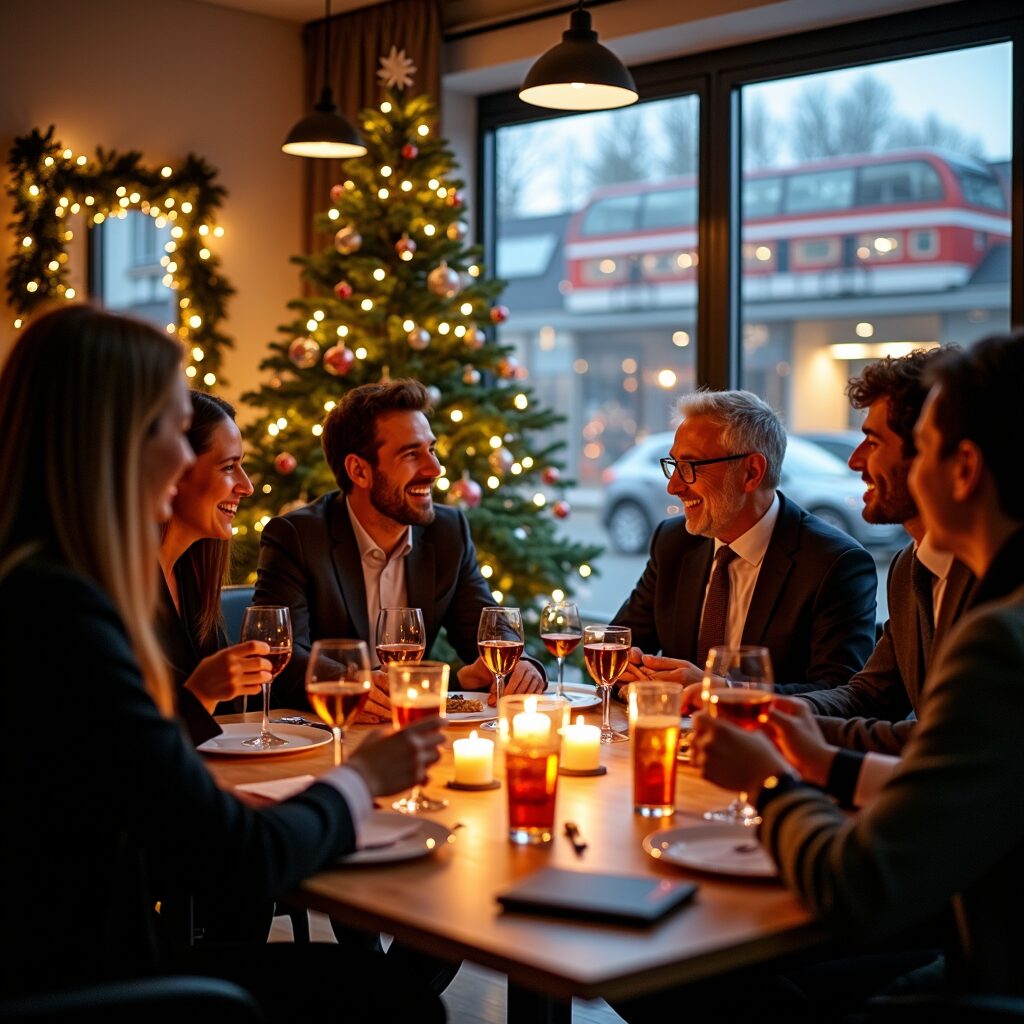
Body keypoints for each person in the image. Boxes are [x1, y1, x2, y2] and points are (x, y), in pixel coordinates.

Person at [0, 305, 446, 1022]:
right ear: (113, 442)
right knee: (393, 1003)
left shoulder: (34, 584)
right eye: (174, 432)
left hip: (77, 962)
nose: (184, 462)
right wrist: (363, 781)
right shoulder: (62, 612)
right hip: (92, 985)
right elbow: (238, 862)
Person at [690, 331, 1024, 1012]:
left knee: (713, 973)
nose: (852, 460)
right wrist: (812, 751)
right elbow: (904, 722)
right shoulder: (914, 572)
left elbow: (859, 889)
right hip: (967, 915)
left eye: (913, 445)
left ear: (962, 469)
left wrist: (770, 778)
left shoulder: (1002, 638)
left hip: (990, 954)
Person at [256, 377, 545, 719]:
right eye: (411, 454)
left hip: (412, 733)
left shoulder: (448, 531)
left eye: (432, 449)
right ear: (359, 470)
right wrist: (353, 683)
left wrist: (522, 667)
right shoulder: (296, 537)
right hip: (324, 735)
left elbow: (487, 629)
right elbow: (279, 657)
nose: (435, 469)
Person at [612, 389, 877, 694]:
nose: (673, 487)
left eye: (690, 467)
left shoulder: (834, 563)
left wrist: (722, 692)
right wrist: (629, 668)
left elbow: (838, 694)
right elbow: (620, 645)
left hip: (769, 740)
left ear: (751, 472)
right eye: (674, 465)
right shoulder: (674, 542)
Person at [785, 350, 975, 766]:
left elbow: (945, 741)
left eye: (873, 441)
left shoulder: (994, 581)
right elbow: (871, 695)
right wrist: (751, 703)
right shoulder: (910, 566)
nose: (855, 461)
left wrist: (777, 725)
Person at [158, 390, 270, 748]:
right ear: (173, 471)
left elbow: (230, 716)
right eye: (228, 467)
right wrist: (202, 692)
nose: (246, 486)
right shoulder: (109, 586)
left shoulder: (192, 576)